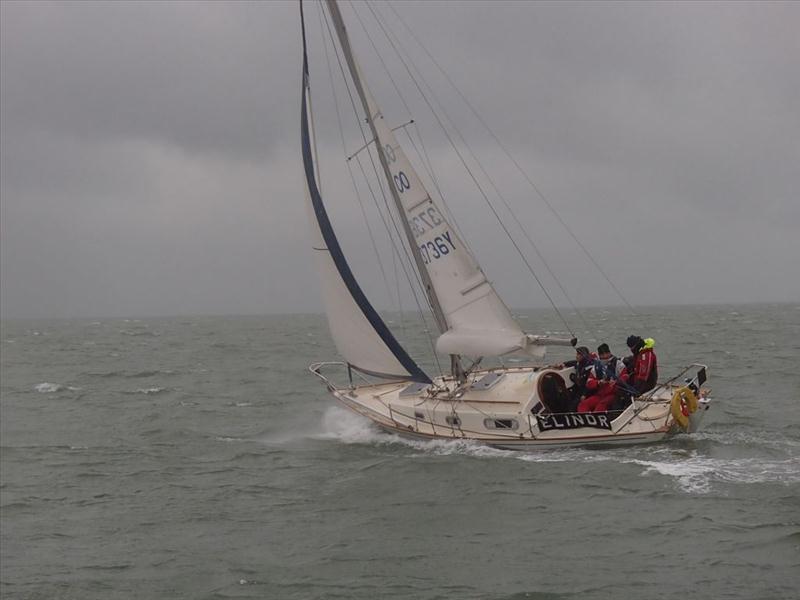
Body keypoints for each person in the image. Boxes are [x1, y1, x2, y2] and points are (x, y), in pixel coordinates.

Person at [577, 343, 626, 413]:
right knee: (583, 405)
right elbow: (589, 382)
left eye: (606, 353)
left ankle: (597, 420)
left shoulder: (618, 364)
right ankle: (585, 420)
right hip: (599, 394)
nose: (605, 356)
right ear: (599, 355)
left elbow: (625, 376)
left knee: (601, 406)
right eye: (602, 354)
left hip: (613, 394)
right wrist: (598, 382)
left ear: (609, 353)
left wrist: (616, 382)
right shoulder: (596, 366)